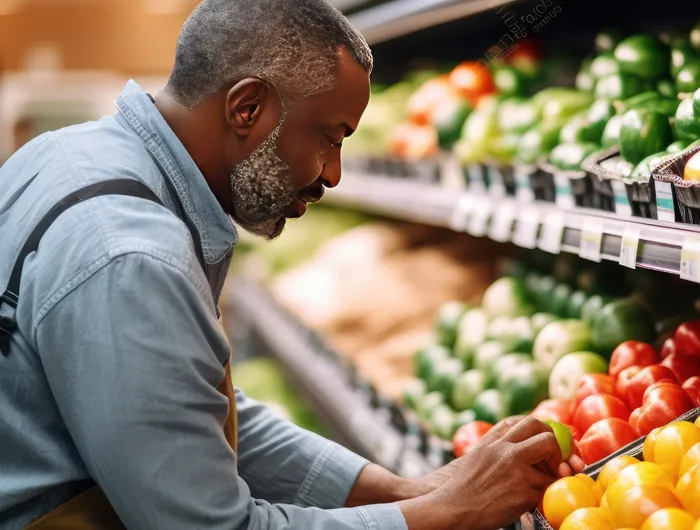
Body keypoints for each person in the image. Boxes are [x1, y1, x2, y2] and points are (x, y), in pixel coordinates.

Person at [0, 1, 584, 529]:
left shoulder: (65, 155)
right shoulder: (131, 256)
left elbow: (178, 408)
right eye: (329, 137)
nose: (333, 173)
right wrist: (443, 514)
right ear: (247, 107)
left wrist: (405, 490)